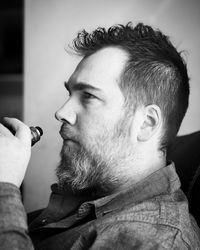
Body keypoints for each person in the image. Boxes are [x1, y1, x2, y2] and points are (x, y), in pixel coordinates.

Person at [0, 22, 200, 249]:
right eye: (70, 93)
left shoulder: (155, 242)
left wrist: (4, 187)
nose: (61, 113)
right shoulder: (93, 193)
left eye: (88, 96)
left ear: (146, 123)